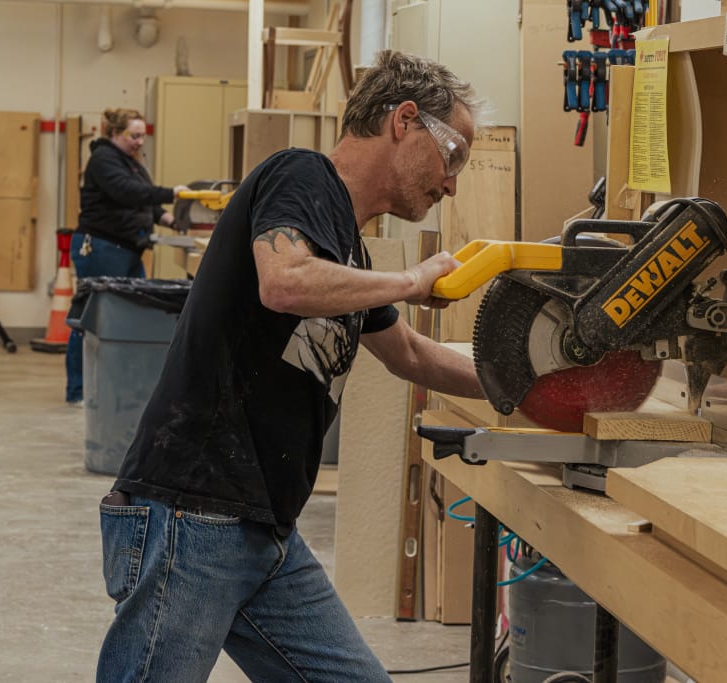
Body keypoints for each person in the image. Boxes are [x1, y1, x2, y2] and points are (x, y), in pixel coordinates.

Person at [96, 50, 485, 682]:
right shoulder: (301, 176)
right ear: (404, 121)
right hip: (193, 513)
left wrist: (534, 386)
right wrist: (411, 279)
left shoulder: (349, 254)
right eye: (454, 156)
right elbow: (284, 281)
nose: (452, 183)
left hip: (264, 531)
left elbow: (413, 355)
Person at [65, 107, 189, 404]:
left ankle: (121, 388)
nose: (139, 142)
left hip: (129, 249)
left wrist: (172, 221)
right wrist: (172, 193)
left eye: (143, 136)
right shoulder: (103, 159)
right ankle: (79, 390)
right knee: (91, 317)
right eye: (134, 136)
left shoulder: (131, 164)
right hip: (103, 248)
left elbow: (143, 199)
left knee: (137, 318)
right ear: (114, 134)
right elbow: (127, 193)